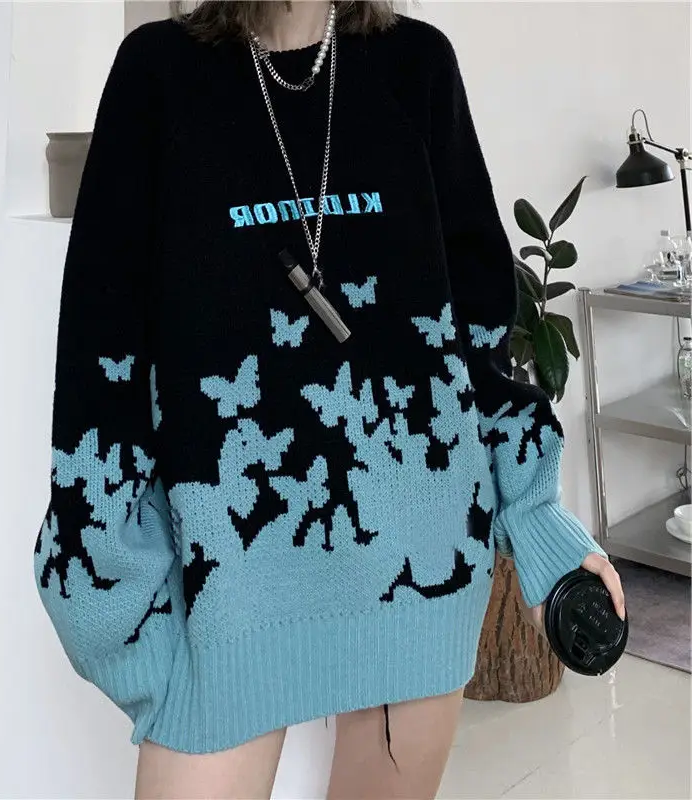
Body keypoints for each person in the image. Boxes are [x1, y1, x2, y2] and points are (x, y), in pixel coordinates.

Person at [33, 2, 626, 797]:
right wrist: (112, 600)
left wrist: (537, 513)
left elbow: (478, 334)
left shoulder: (417, 65)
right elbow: (100, 363)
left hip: (419, 575)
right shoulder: (158, 73)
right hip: (226, 597)